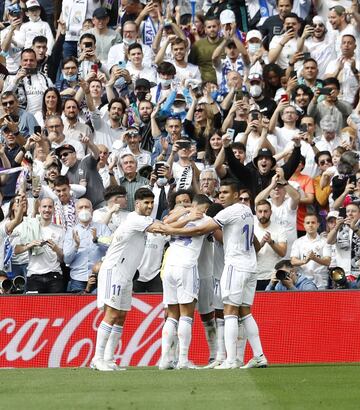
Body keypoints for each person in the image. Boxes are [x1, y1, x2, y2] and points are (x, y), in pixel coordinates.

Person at [156, 179, 268, 369]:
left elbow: (201, 228)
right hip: (249, 266)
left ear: (235, 195)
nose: (221, 196)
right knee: (244, 312)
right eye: (220, 193)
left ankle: (229, 359)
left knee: (228, 312)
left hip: (232, 266)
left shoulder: (224, 213)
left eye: (225, 193)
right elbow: (254, 243)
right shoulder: (247, 212)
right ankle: (258, 356)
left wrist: (169, 228)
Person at [90, 187, 163, 371]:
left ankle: (109, 358)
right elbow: (161, 227)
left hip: (126, 274)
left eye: (152, 202)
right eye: (146, 202)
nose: (150, 206)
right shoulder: (136, 219)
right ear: (137, 204)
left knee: (121, 316)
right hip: (114, 270)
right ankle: (97, 359)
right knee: (112, 314)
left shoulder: (139, 220)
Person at [14, 197, 65, 293]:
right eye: (44, 206)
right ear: (39, 209)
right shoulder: (29, 226)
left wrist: (56, 249)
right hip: (34, 276)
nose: (47, 210)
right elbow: (16, 250)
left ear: (54, 209)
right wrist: (30, 245)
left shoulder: (60, 230)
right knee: (34, 308)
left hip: (54, 275)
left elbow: (62, 259)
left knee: (56, 308)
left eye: (50, 207)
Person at [63, 198, 111, 293]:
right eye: (81, 207)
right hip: (78, 278)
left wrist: (97, 240)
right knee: (78, 306)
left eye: (87, 207)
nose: (84, 210)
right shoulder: (71, 232)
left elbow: (111, 247)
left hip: (99, 276)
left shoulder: (102, 228)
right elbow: (66, 259)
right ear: (76, 211)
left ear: (92, 210)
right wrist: (76, 246)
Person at [290, 213, 331, 289]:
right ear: (304, 225)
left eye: (313, 222)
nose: (310, 225)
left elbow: (327, 261)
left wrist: (314, 258)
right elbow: (293, 261)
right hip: (303, 281)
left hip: (321, 280)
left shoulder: (325, 241)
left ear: (318, 225)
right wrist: (304, 261)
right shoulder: (298, 242)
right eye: (308, 223)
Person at [254, 199, 287, 290]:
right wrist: (260, 244)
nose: (263, 214)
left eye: (266, 211)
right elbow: (247, 253)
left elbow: (283, 252)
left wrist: (271, 242)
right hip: (254, 276)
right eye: (260, 211)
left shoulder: (280, 229)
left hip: (274, 276)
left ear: (271, 212)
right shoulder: (251, 228)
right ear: (256, 212)